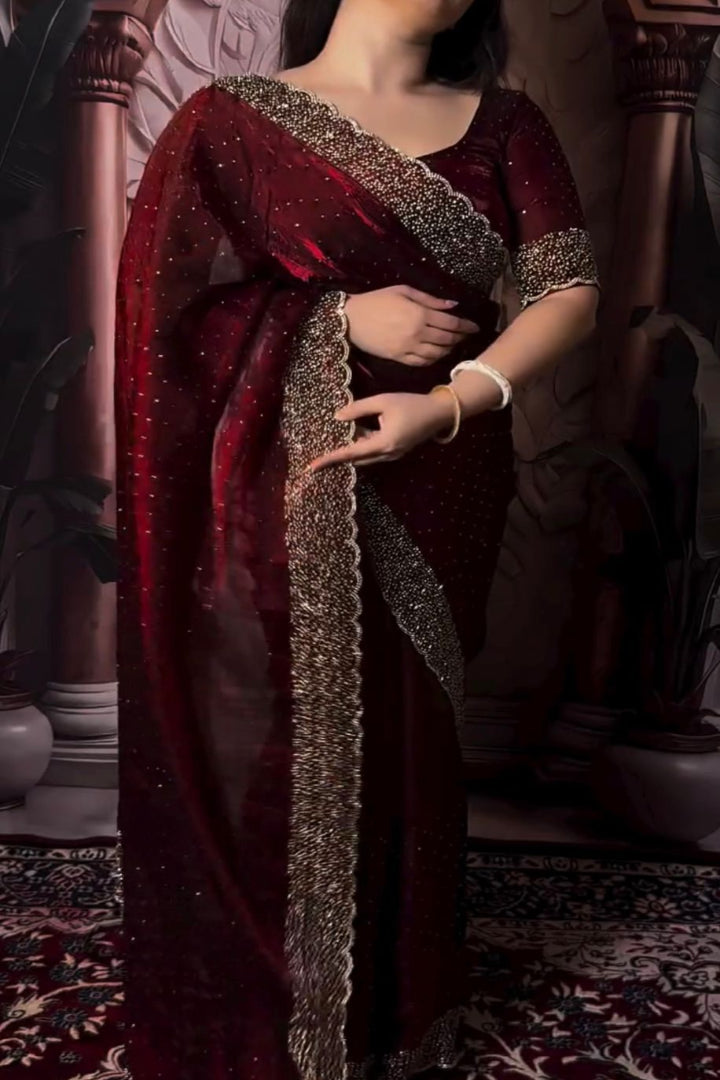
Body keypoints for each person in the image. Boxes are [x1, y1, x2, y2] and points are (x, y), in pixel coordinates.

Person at [114, 0, 600, 1077]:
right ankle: (266, 1002)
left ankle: (393, 1008)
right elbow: (170, 322)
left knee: (411, 732)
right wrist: (336, 318)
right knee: (271, 730)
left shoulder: (505, 125)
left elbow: (569, 292)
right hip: (277, 492)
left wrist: (457, 399)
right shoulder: (226, 122)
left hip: (447, 470)